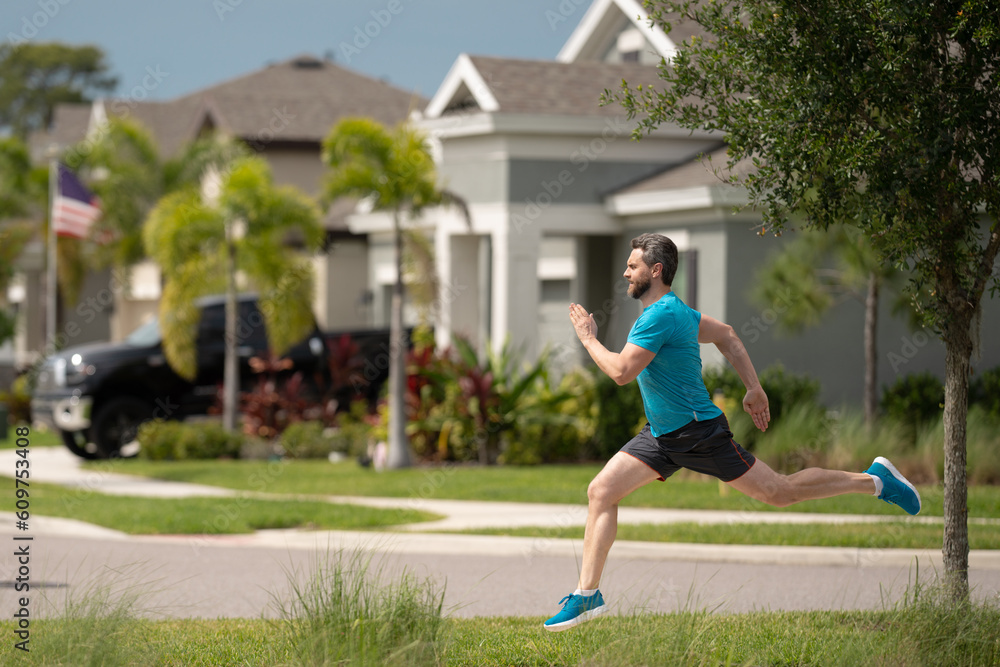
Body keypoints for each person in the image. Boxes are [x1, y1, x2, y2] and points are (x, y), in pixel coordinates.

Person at [543, 233, 921, 632]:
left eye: (632, 266)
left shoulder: (660, 316)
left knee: (781, 492)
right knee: (601, 491)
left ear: (655, 271)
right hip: (662, 436)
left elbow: (621, 372)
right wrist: (753, 388)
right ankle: (587, 595)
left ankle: (874, 481)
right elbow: (727, 335)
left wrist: (588, 338)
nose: (625, 272)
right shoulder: (675, 312)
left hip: (697, 433)